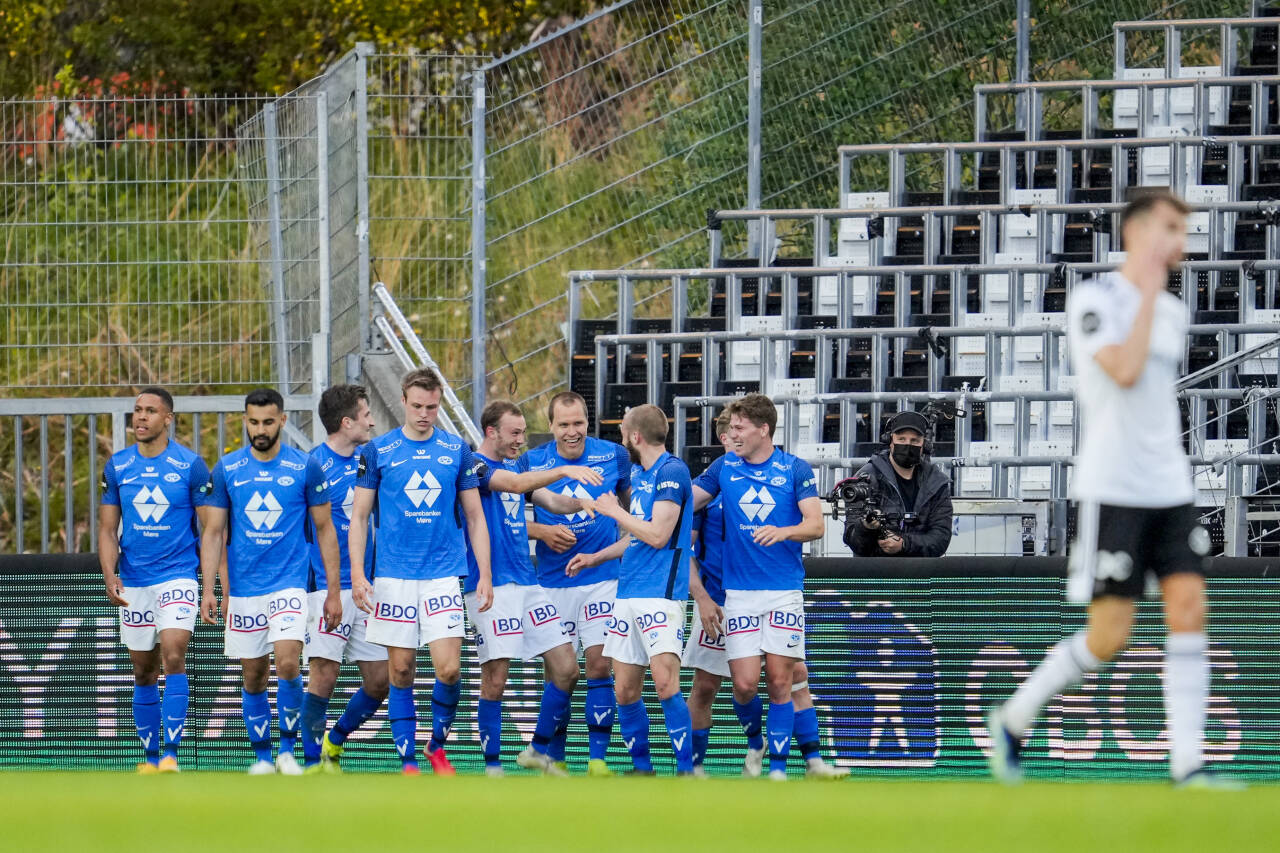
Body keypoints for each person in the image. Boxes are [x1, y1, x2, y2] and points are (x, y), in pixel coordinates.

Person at [985, 189, 1235, 789]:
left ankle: (1188, 767)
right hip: (1113, 485)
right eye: (1173, 228)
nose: (1183, 241)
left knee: (1189, 609)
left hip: (1170, 484)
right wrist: (1147, 290)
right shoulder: (1094, 299)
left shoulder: (1174, 311)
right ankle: (1015, 717)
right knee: (1109, 636)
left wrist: (1155, 296)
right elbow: (1121, 370)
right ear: (1141, 232)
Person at [684, 409, 848, 779]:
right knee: (732, 683)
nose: (731, 436)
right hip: (723, 596)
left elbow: (815, 525)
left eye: (738, 429)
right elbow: (681, 517)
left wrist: (783, 531)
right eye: (726, 431)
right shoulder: (719, 475)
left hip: (779, 591)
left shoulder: (791, 469)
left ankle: (795, 765)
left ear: (763, 430)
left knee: (785, 678)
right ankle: (723, 754)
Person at [348, 368, 493, 776]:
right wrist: (359, 574)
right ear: (403, 401)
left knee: (449, 668)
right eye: (417, 406)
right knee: (401, 670)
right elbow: (359, 518)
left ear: (439, 403)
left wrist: (484, 573)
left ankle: (435, 745)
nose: (424, 414)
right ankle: (409, 761)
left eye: (431, 407)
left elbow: (475, 517)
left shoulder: (457, 450)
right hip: (393, 577)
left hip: (443, 573)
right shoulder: (377, 451)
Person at [198, 388, 342, 775]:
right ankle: (262, 757)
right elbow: (213, 533)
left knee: (289, 663)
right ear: (245, 421)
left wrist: (332, 591)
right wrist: (209, 589)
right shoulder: (227, 469)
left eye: (267, 421)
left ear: (282, 421)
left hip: (290, 584)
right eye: (253, 422)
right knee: (254, 672)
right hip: (245, 589)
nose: (260, 429)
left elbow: (325, 529)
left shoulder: (305, 467)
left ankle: (286, 752)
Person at [462, 399, 602, 776]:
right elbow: (519, 484)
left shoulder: (512, 464)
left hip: (527, 582)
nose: (521, 440)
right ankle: (493, 768)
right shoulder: (474, 465)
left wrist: (583, 502)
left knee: (567, 668)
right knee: (496, 678)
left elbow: (550, 500)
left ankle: (538, 749)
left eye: (524, 433)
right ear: (491, 432)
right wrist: (563, 468)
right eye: (515, 433)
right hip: (489, 584)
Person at [568, 404, 695, 775]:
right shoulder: (640, 474)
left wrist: (613, 511)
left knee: (666, 683)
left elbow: (657, 535)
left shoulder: (672, 471)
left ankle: (686, 771)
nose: (621, 436)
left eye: (624, 430)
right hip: (628, 593)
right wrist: (596, 557)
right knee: (624, 689)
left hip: (660, 594)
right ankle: (643, 769)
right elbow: (637, 538)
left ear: (635, 436)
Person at [98, 387, 210, 774]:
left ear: (168, 419)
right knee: (144, 670)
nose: (140, 418)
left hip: (178, 574)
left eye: (150, 411)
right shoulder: (117, 466)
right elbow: (108, 529)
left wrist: (210, 584)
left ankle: (171, 755)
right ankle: (149, 757)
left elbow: (211, 528)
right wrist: (110, 574)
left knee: (174, 654)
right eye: (137, 411)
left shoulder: (191, 465)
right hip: (134, 580)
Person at [522, 391, 631, 776]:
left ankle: (598, 760)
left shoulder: (614, 455)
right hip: (551, 581)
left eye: (579, 423)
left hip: (602, 578)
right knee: (560, 675)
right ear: (550, 426)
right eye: (564, 424)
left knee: (600, 665)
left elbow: (633, 516)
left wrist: (611, 551)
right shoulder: (531, 462)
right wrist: (543, 533)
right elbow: (508, 522)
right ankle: (556, 757)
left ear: (589, 421)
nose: (572, 432)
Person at [298, 385, 389, 774]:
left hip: (368, 586)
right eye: (366, 413)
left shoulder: (372, 460)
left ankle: (335, 740)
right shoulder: (311, 464)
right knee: (324, 674)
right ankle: (310, 763)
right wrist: (323, 588)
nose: (372, 421)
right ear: (346, 422)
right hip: (325, 587)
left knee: (382, 680)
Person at [843, 410, 953, 558]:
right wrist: (866, 528)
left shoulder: (937, 482)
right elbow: (853, 540)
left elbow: (940, 539)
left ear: (924, 445)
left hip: (921, 572)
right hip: (876, 573)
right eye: (901, 439)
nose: (908, 445)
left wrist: (904, 544)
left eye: (914, 441)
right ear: (890, 440)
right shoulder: (866, 479)